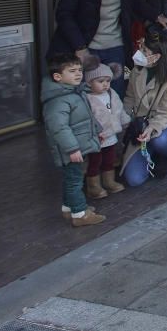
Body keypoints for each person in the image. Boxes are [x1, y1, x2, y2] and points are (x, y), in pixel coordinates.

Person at [50, 0, 167, 97]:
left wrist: (157, 17)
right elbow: (65, 15)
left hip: (115, 47)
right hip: (87, 47)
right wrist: (79, 46)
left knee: (115, 91)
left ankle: (115, 118)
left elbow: (137, 3)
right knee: (87, 92)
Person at [120, 33, 167, 185]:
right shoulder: (137, 71)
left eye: (145, 51)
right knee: (134, 179)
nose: (139, 53)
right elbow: (130, 99)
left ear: (157, 56)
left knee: (161, 140)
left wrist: (153, 128)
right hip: (141, 126)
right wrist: (124, 121)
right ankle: (150, 156)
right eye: (141, 48)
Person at [42, 54, 105, 227]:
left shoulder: (74, 92)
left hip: (77, 145)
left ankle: (69, 208)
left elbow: (86, 118)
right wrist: (72, 149)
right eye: (72, 71)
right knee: (74, 180)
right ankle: (80, 214)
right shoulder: (58, 100)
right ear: (58, 77)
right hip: (71, 149)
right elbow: (59, 128)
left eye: (79, 70)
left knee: (71, 178)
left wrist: (97, 131)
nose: (78, 74)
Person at [83, 61, 129, 199]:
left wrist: (125, 120)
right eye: (100, 81)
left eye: (108, 81)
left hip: (111, 135)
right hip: (96, 137)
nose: (105, 84)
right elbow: (85, 119)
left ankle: (109, 181)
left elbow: (119, 109)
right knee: (94, 161)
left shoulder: (111, 93)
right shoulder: (87, 98)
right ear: (89, 82)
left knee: (109, 159)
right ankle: (93, 185)